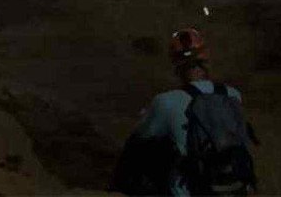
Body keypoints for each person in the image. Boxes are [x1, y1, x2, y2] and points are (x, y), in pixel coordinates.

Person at [110, 28, 258, 196]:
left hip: (191, 192)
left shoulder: (166, 102)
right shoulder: (232, 95)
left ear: (176, 65)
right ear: (206, 59)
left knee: (148, 148)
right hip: (235, 188)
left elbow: (139, 138)